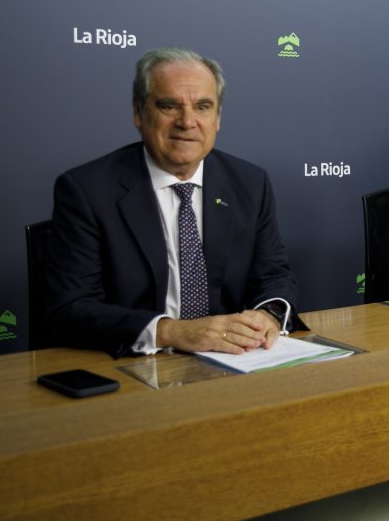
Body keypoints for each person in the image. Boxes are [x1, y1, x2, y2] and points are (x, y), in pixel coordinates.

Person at [47, 48, 301, 358]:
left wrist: (268, 315)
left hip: (230, 360)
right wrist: (173, 332)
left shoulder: (249, 183)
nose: (187, 122)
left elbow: (273, 276)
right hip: (133, 363)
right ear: (138, 112)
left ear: (218, 118)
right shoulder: (87, 190)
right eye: (169, 106)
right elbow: (71, 308)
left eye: (202, 107)